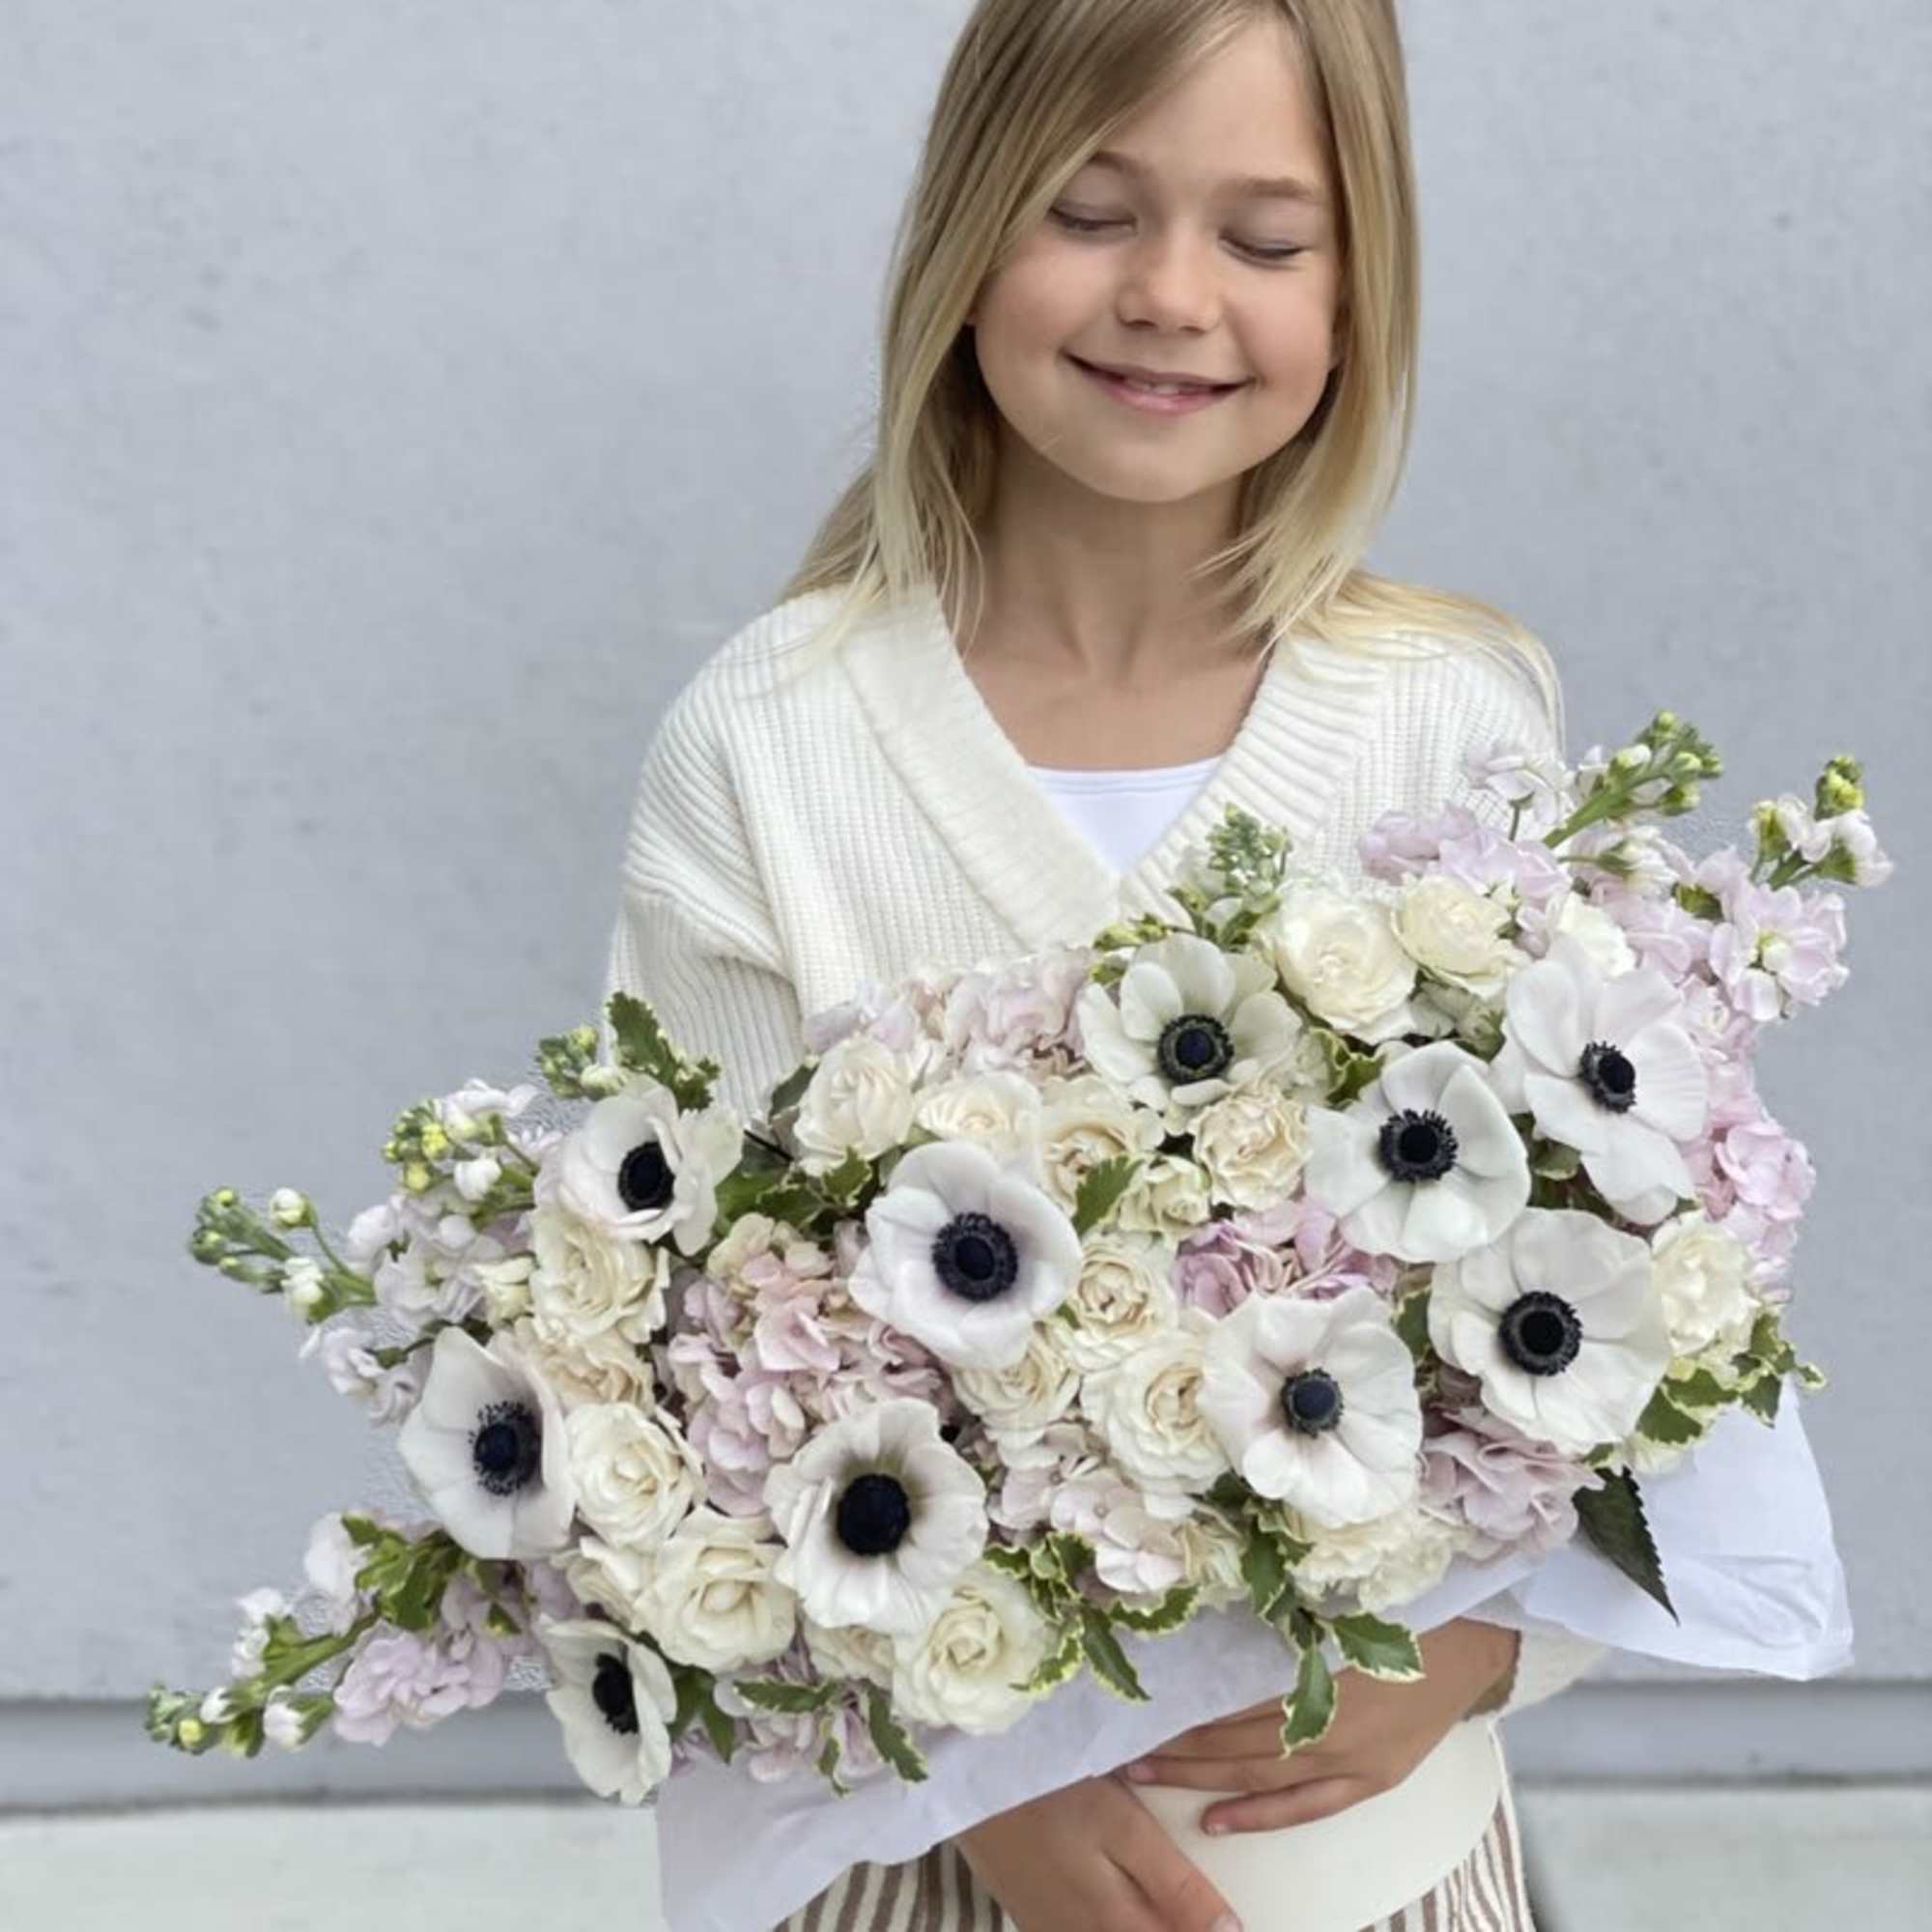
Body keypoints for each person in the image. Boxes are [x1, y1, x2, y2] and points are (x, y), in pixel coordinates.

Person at [602, 5, 1846, 1927]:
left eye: (1266, 239)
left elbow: (1614, 1328)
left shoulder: (1444, 718)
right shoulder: (775, 744)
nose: (1171, 295)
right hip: (910, 1871)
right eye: (1087, 211)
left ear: (1360, 291)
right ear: (960, 237)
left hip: (1375, 1863)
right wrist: (978, 1781)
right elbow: (664, 1368)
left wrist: (1481, 1653)